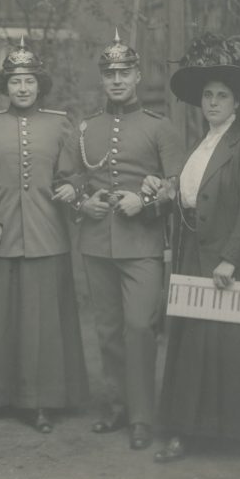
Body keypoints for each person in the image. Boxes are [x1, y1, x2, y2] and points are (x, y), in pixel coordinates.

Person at [150, 33, 240, 463]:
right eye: (208, 95)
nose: (212, 102)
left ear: (237, 103)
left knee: (232, 348)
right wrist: (166, 191)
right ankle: (185, 431)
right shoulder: (201, 145)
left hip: (233, 260)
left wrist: (231, 258)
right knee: (192, 347)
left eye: (222, 96)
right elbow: (192, 196)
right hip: (195, 255)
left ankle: (238, 432)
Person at [0, 36, 89, 433]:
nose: (23, 88)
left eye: (30, 81)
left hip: (46, 235)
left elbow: (71, 176)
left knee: (43, 325)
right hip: (1, 238)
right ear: (5, 86)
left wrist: (73, 187)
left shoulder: (59, 124)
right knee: (1, 319)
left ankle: (42, 402)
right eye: (16, 81)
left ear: (40, 86)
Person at [68, 29, 184, 451]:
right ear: (102, 79)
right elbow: (69, 180)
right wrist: (85, 203)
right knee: (107, 330)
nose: (117, 80)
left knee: (139, 327)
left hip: (142, 246)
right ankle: (116, 407)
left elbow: (177, 187)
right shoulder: (87, 129)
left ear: (137, 76)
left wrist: (146, 203)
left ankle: (142, 416)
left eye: (125, 72)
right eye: (110, 73)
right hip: (97, 242)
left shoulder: (160, 127)